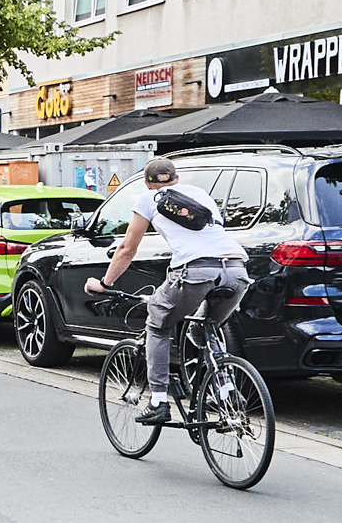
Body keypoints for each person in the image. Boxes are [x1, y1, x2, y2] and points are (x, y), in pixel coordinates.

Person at [85, 156, 247, 426]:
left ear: (147, 183)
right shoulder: (201, 195)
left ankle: (159, 401)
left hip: (194, 271)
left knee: (158, 325)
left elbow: (127, 249)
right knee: (201, 328)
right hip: (236, 269)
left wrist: (104, 283)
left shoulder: (149, 199)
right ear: (176, 178)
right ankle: (226, 390)